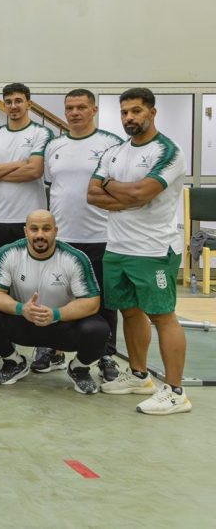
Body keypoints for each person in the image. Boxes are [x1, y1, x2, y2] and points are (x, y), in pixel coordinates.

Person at [88, 87, 191, 415]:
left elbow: (141, 193)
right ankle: (139, 375)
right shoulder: (115, 153)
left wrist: (114, 188)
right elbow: (92, 194)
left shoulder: (168, 152)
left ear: (152, 112)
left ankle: (175, 392)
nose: (129, 117)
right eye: (124, 112)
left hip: (153, 249)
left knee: (162, 316)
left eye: (136, 111)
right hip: (118, 246)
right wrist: (126, 195)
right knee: (129, 312)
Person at [0, 210, 109, 395]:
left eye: (46, 229)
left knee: (99, 329)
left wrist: (56, 314)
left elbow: (91, 302)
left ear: (55, 231)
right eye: (34, 229)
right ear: (25, 231)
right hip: (23, 322)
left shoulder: (74, 258)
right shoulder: (8, 253)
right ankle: (14, 362)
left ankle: (79, 369)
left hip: (61, 326)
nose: (40, 235)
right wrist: (21, 309)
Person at [42, 89, 122, 380]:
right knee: (57, 296)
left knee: (104, 301)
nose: (74, 113)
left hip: (101, 236)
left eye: (81, 107)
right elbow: (52, 186)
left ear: (94, 110)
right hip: (62, 238)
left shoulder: (112, 144)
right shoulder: (54, 146)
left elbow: (118, 186)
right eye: (70, 108)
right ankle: (53, 350)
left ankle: (106, 355)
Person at [0, 83, 53, 264]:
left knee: (33, 272)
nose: (13, 106)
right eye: (8, 102)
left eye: (18, 101)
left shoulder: (41, 132)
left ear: (29, 104)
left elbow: (34, 171)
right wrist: (18, 164)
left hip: (32, 220)